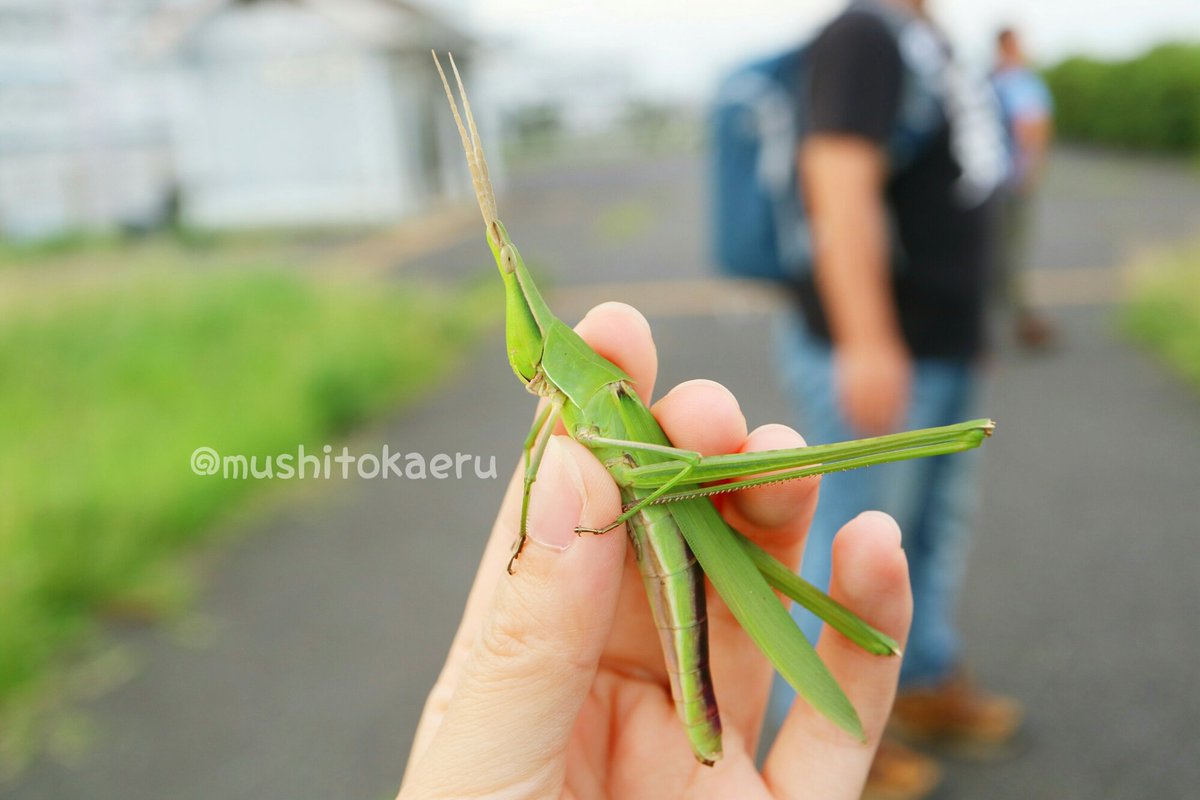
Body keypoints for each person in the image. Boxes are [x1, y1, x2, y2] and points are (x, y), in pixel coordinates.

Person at [399, 302, 914, 799]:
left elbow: (680, 463)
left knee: (733, 457)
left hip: (662, 499)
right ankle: (862, 636)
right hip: (653, 498)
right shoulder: (575, 393)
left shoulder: (588, 397)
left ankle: (865, 631)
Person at [763, 1, 1023, 797]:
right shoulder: (863, 33)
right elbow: (836, 178)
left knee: (927, 535)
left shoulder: (929, 39)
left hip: (940, 343)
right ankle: (831, 736)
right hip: (885, 348)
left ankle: (918, 685)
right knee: (853, 546)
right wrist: (866, 339)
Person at [991, 26, 1058, 349]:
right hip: (1000, 178)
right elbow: (1036, 127)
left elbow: (1036, 130)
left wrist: (1029, 172)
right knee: (1003, 251)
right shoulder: (1015, 82)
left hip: (1008, 178)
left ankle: (1017, 319)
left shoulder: (1004, 82)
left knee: (1006, 251)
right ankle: (1018, 319)